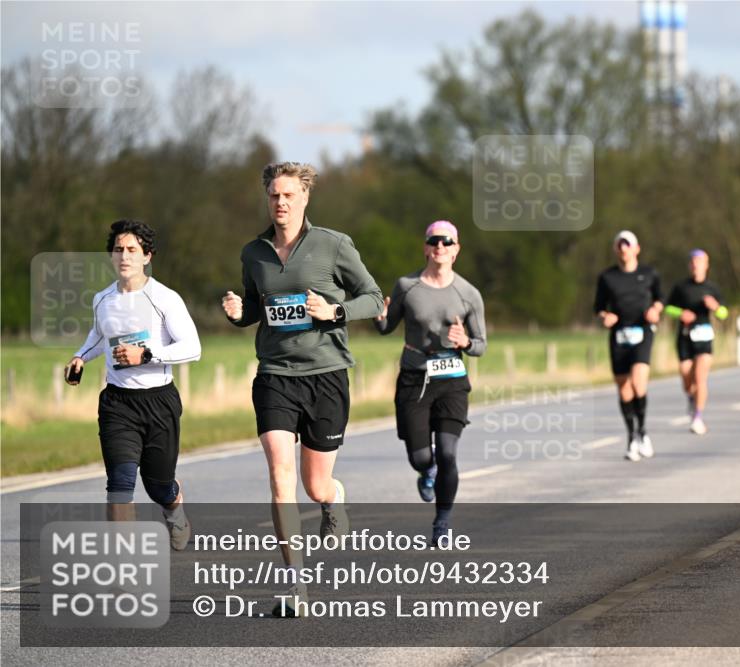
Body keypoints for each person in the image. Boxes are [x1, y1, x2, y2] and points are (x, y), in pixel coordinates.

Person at [222, 162, 383, 617]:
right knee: (279, 477)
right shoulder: (253, 252)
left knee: (314, 485)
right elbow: (256, 307)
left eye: (289, 195)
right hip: (275, 375)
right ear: (267, 198)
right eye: (274, 194)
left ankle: (334, 498)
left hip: (327, 374)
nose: (281, 202)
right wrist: (238, 311)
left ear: (304, 198)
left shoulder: (333, 245)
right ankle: (296, 586)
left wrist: (333, 312)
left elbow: (372, 297)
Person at [65, 219, 201, 549]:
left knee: (158, 486)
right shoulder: (103, 300)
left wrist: (148, 354)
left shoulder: (164, 298)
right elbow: (100, 337)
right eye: (118, 250)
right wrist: (81, 356)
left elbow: (193, 348)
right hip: (118, 404)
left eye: (132, 250)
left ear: (147, 257)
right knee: (120, 483)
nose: (124, 256)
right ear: (111, 256)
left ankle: (174, 508)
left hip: (159, 403)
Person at [374, 221, 486, 546]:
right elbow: (385, 327)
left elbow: (481, 345)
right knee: (421, 456)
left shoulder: (468, 294)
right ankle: (427, 470)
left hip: (452, 379)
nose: (440, 246)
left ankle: (443, 522)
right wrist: (379, 316)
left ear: (456, 250)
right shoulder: (407, 286)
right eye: (434, 241)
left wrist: (465, 341)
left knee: (449, 453)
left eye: (447, 242)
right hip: (415, 378)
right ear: (425, 248)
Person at [594, 231, 664, 461]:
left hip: (643, 332)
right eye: (620, 245)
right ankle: (632, 436)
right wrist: (605, 317)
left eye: (628, 245)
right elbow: (599, 308)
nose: (624, 249)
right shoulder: (607, 277)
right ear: (616, 250)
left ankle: (643, 431)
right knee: (624, 388)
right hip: (619, 335)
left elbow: (660, 299)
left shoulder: (649, 274)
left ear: (636, 248)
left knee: (638, 381)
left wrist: (656, 310)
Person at [665, 249, 728, 435]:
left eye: (700, 262)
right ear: (689, 265)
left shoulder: (712, 288)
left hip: (704, 336)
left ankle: (698, 417)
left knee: (700, 378)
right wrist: (680, 313)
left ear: (706, 266)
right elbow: (668, 308)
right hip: (684, 336)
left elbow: (724, 313)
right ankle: (692, 399)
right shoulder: (681, 287)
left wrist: (715, 307)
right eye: (693, 262)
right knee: (687, 379)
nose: (696, 266)